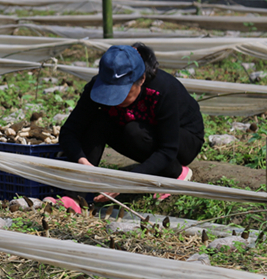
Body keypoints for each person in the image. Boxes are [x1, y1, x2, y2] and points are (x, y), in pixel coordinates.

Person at [59, 43, 204, 202]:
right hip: (138, 131)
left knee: (134, 130)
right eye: (110, 92)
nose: (115, 99)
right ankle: (73, 198)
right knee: (99, 122)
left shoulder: (163, 90)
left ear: (141, 79)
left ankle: (176, 173)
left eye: (122, 92)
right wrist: (82, 162)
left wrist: (125, 182)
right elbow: (69, 131)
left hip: (182, 141)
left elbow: (168, 149)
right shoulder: (97, 87)